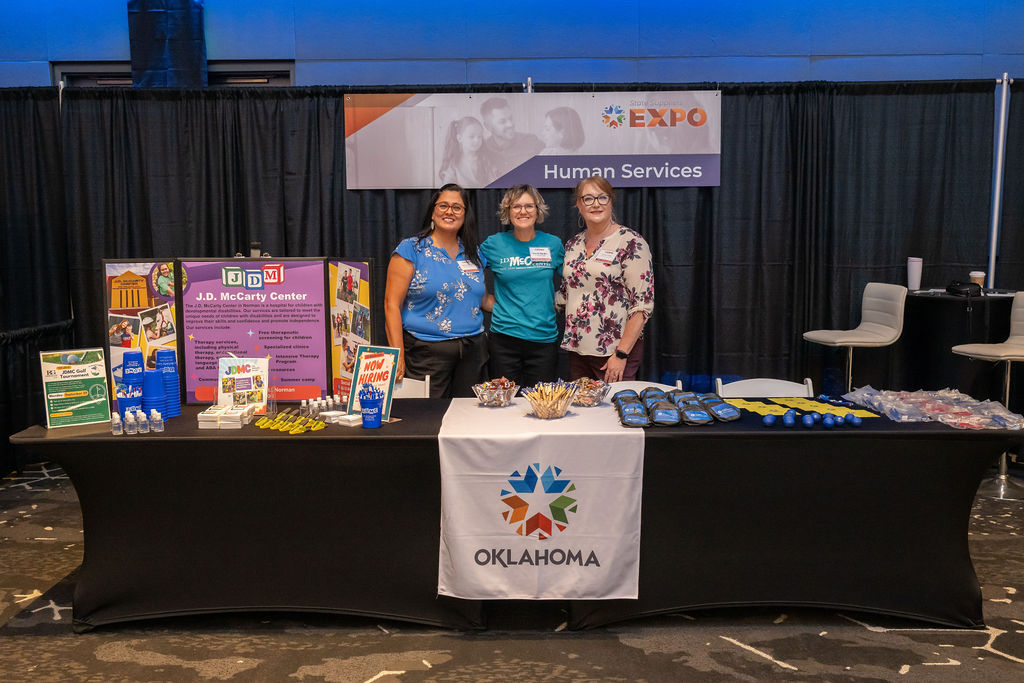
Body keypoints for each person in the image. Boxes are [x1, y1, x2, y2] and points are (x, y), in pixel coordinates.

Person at [385, 184, 488, 398]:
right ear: (433, 211)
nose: (450, 211)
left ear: (465, 215)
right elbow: (391, 305)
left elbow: (481, 298)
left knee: (469, 415)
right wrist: (397, 355)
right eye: (443, 205)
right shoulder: (411, 249)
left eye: (457, 207)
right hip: (426, 353)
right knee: (426, 415)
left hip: (473, 352)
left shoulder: (474, 253)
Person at [557, 175, 654, 383]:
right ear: (579, 205)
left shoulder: (631, 242)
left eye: (602, 197)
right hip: (578, 350)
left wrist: (621, 355)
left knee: (614, 404)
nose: (596, 204)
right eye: (588, 199)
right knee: (581, 404)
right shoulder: (573, 245)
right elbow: (566, 294)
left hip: (614, 353)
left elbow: (641, 306)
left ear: (611, 200)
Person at [480, 185, 565, 387]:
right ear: (508, 211)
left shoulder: (553, 244)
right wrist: (485, 302)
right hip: (504, 340)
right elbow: (468, 274)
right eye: (516, 206)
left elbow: (576, 279)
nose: (523, 211)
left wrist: (560, 299)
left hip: (543, 340)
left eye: (529, 206)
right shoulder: (494, 244)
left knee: (542, 401)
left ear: (537, 210)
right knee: (504, 402)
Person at [480, 97, 543, 174]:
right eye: (502, 121)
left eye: (511, 118)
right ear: (488, 126)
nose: (510, 124)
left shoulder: (532, 143)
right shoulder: (482, 150)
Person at [438, 116, 493, 187]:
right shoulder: (454, 163)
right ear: (459, 138)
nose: (476, 140)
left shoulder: (486, 160)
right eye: (471, 137)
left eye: (479, 136)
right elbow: (448, 185)